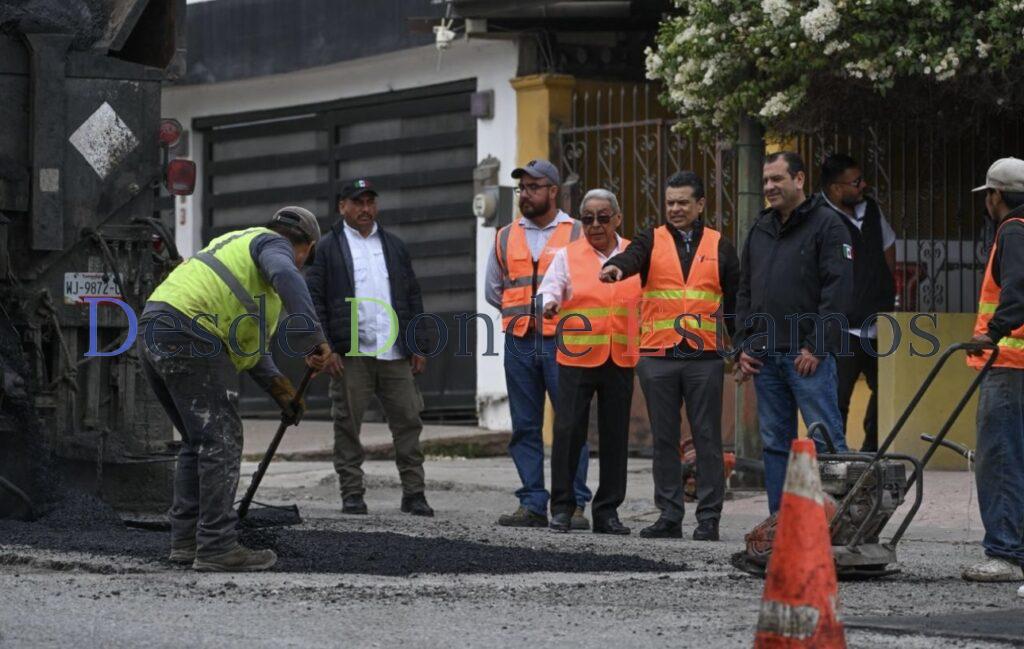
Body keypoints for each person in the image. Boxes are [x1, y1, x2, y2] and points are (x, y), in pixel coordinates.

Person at [139, 206, 338, 572]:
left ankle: (186, 541)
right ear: (306, 247)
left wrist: (280, 389)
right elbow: (285, 273)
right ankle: (216, 546)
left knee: (197, 441)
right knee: (221, 440)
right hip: (190, 331)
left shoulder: (235, 249)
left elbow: (250, 351)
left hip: (156, 327)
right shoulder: (273, 246)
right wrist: (314, 338)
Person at [601, 171, 740, 541]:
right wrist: (615, 267)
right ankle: (669, 516)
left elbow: (736, 303)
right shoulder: (651, 239)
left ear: (700, 204)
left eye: (682, 202)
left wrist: (742, 348)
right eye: (670, 202)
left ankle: (709, 518)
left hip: (704, 356)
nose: (675, 208)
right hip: (658, 355)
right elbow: (632, 256)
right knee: (663, 439)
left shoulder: (720, 245)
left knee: (707, 438)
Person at [305, 179, 434, 517]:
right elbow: (314, 299)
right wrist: (325, 347)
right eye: (357, 202)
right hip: (351, 355)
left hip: (394, 352)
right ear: (342, 207)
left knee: (408, 421)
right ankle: (352, 494)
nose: (365, 209)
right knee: (347, 424)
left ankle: (414, 494)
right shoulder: (327, 248)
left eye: (370, 202)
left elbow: (412, 295)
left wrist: (417, 344)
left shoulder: (393, 245)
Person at [734, 151, 853, 514]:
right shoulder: (760, 228)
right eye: (766, 180)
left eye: (777, 179)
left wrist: (816, 347)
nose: (769, 187)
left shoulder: (828, 225)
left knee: (825, 441)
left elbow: (838, 290)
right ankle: (780, 525)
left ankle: (839, 523)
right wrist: (744, 345)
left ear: (799, 180)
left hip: (807, 359)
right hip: (766, 359)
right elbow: (744, 293)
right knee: (774, 444)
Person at [485, 159, 591, 529]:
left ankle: (574, 504)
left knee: (571, 423)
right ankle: (532, 503)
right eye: (521, 188)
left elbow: (589, 286)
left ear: (553, 191)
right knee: (525, 426)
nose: (525, 195)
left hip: (565, 342)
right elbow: (493, 291)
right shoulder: (504, 235)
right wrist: (522, 316)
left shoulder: (577, 233)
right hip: (519, 342)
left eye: (533, 187)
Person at [540, 189, 641, 534]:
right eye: (587, 219)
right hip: (577, 355)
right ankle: (563, 508)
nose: (595, 224)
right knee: (568, 431)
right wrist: (549, 304)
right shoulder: (568, 256)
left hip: (621, 356)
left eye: (602, 217)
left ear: (617, 218)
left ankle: (608, 511)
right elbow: (547, 292)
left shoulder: (634, 254)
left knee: (615, 436)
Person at [963, 157, 1024, 583]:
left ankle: (1004, 552)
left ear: (996, 196)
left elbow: (1018, 293)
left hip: (1010, 363)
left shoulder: (1013, 230)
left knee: (999, 457)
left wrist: (994, 332)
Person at [820, 154, 896, 453]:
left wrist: (885, 289)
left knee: (884, 395)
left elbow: (888, 246)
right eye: (856, 181)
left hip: (878, 324)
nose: (863, 185)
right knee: (837, 397)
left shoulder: (872, 210)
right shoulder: (819, 217)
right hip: (841, 328)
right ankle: (836, 457)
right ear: (836, 188)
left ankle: (870, 452)